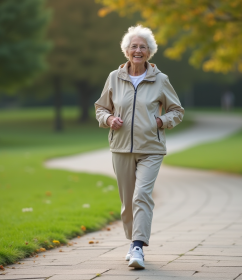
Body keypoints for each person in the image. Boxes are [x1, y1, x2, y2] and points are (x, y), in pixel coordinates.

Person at [95, 25, 184, 269]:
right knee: (127, 202)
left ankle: (138, 246)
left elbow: (177, 111)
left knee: (141, 195)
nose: (138, 51)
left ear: (149, 52)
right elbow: (101, 108)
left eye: (142, 47)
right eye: (134, 46)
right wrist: (109, 119)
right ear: (126, 51)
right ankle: (132, 241)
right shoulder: (115, 77)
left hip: (151, 148)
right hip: (121, 148)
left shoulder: (160, 80)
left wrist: (161, 121)